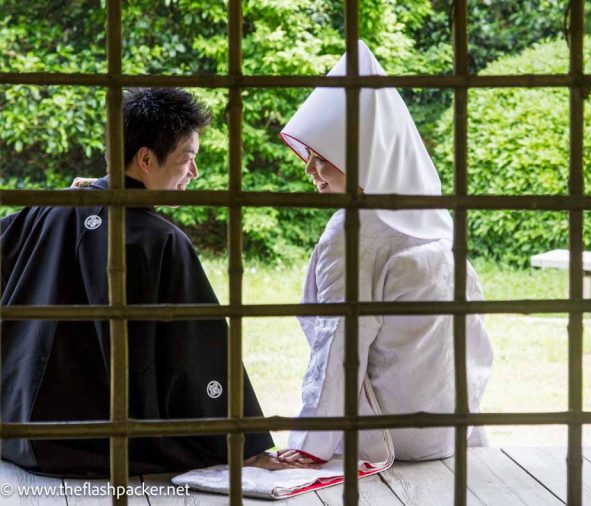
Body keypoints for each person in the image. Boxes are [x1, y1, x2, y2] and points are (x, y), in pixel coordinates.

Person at [0, 88, 295, 477]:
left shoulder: (49, 208)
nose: (194, 173)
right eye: (187, 159)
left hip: (13, 430)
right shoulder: (161, 241)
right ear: (144, 159)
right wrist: (244, 445)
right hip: (86, 445)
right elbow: (197, 354)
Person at [276, 41, 494, 465]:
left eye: (322, 157)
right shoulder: (432, 216)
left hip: (385, 438)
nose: (310, 170)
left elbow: (337, 342)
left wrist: (309, 444)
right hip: (449, 432)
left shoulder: (354, 230)